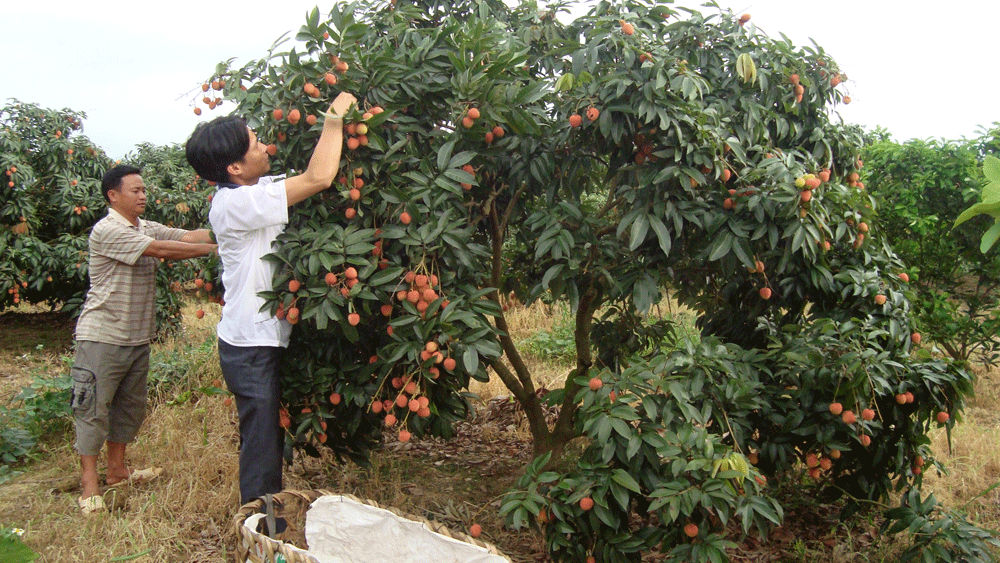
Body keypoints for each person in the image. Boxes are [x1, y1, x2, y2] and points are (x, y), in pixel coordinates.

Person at [184, 91, 356, 505]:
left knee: (266, 433)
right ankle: (260, 525)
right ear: (235, 167)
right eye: (255, 144)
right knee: (261, 441)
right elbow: (318, 178)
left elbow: (307, 175)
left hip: (261, 335)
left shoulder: (253, 189)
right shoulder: (238, 203)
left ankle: (264, 515)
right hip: (249, 344)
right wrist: (334, 119)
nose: (266, 147)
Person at [72, 164, 218, 515]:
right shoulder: (107, 230)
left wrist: (229, 226)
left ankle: (118, 472)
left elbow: (186, 236)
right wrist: (217, 250)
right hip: (103, 336)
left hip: (136, 337)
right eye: (135, 190)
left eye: (143, 190)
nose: (143, 195)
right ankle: (89, 483)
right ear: (113, 195)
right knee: (93, 409)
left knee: (128, 408)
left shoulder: (144, 225)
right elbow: (163, 250)